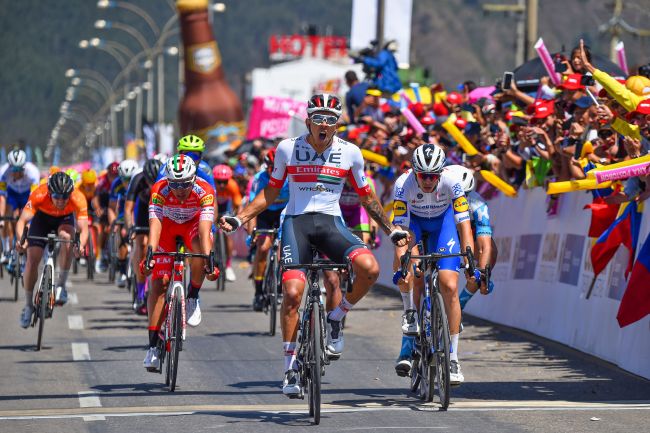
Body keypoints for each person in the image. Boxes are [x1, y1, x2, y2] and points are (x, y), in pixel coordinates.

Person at [219, 93, 409, 397]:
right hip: (297, 223)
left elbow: (367, 196)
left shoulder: (351, 153)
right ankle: (289, 369)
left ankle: (336, 316)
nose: (324, 124)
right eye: (318, 118)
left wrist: (391, 229)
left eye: (331, 119)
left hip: (332, 225)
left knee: (370, 269)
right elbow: (270, 192)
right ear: (307, 120)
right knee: (293, 294)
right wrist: (240, 219)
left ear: (338, 125)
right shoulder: (287, 149)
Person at [391, 144, 476, 385]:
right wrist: (404, 260)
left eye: (432, 176)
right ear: (414, 172)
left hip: (443, 225)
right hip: (414, 225)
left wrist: (468, 255)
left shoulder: (452, 181)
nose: (428, 181)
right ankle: (410, 315)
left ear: (440, 173)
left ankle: (453, 357)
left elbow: (464, 224)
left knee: (449, 285)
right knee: (411, 272)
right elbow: (401, 231)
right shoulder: (402, 184)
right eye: (423, 176)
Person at [141, 154, 218, 371]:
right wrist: (150, 254)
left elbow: (205, 231)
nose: (180, 189)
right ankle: (153, 346)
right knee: (159, 283)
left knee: (199, 250)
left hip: (192, 227)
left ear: (193, 179)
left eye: (185, 184)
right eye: (174, 184)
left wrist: (209, 260)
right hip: (167, 229)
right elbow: (155, 224)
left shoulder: (205, 191)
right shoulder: (159, 189)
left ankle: (192, 295)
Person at [15, 172, 88, 327]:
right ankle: (28, 306)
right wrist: (21, 241)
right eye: (56, 196)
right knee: (32, 260)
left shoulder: (78, 197)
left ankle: (61, 285)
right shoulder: (39, 194)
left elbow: (84, 228)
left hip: (65, 220)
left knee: (67, 238)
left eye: (65, 197)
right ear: (49, 193)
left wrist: (80, 245)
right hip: (41, 220)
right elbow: (22, 221)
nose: (61, 200)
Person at [445, 165, 498, 309]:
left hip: (468, 233)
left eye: (464, 195)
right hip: (443, 230)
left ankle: (460, 304)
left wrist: (484, 273)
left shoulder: (478, 203)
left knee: (490, 253)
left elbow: (485, 245)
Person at [247, 148, 289, 311]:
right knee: (263, 248)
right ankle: (258, 291)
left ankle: (280, 286)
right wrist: (253, 230)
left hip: (282, 213)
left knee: (284, 252)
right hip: (264, 213)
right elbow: (252, 207)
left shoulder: (290, 178)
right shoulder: (259, 179)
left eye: (276, 166)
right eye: (270, 167)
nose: (274, 170)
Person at [124, 158, 163, 314]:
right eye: (150, 182)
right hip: (142, 210)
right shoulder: (138, 179)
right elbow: (128, 209)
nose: (153, 185)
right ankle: (140, 292)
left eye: (156, 182)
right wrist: (130, 229)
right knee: (141, 245)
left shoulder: (166, 180)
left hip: (160, 208)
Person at [0, 149, 40, 264]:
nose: (16, 172)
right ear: (9, 166)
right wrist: (2, 218)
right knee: (6, 217)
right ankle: (6, 250)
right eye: (14, 169)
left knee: (27, 219)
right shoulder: (3, 172)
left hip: (27, 194)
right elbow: (2, 197)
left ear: (24, 166)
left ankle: (25, 243)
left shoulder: (33, 172)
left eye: (19, 169)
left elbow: (34, 199)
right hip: (12, 193)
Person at [108, 160, 139, 287]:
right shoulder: (116, 184)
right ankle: (122, 271)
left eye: (128, 179)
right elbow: (111, 207)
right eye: (123, 179)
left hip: (138, 209)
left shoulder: (138, 182)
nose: (126, 183)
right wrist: (113, 224)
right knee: (123, 233)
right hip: (123, 211)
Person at [213, 164, 243, 282]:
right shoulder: (210, 185)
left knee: (228, 235)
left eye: (224, 182)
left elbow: (238, 205)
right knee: (210, 233)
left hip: (226, 208)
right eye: (219, 182)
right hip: (212, 206)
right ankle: (212, 259)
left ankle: (229, 266)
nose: (221, 185)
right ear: (214, 179)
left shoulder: (232, 186)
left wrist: (238, 219)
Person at [92, 162, 119, 273]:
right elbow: (96, 197)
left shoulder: (120, 182)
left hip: (115, 203)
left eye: (115, 176)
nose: (113, 178)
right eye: (111, 175)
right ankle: (101, 254)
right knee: (103, 229)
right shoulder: (102, 181)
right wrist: (98, 208)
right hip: (104, 201)